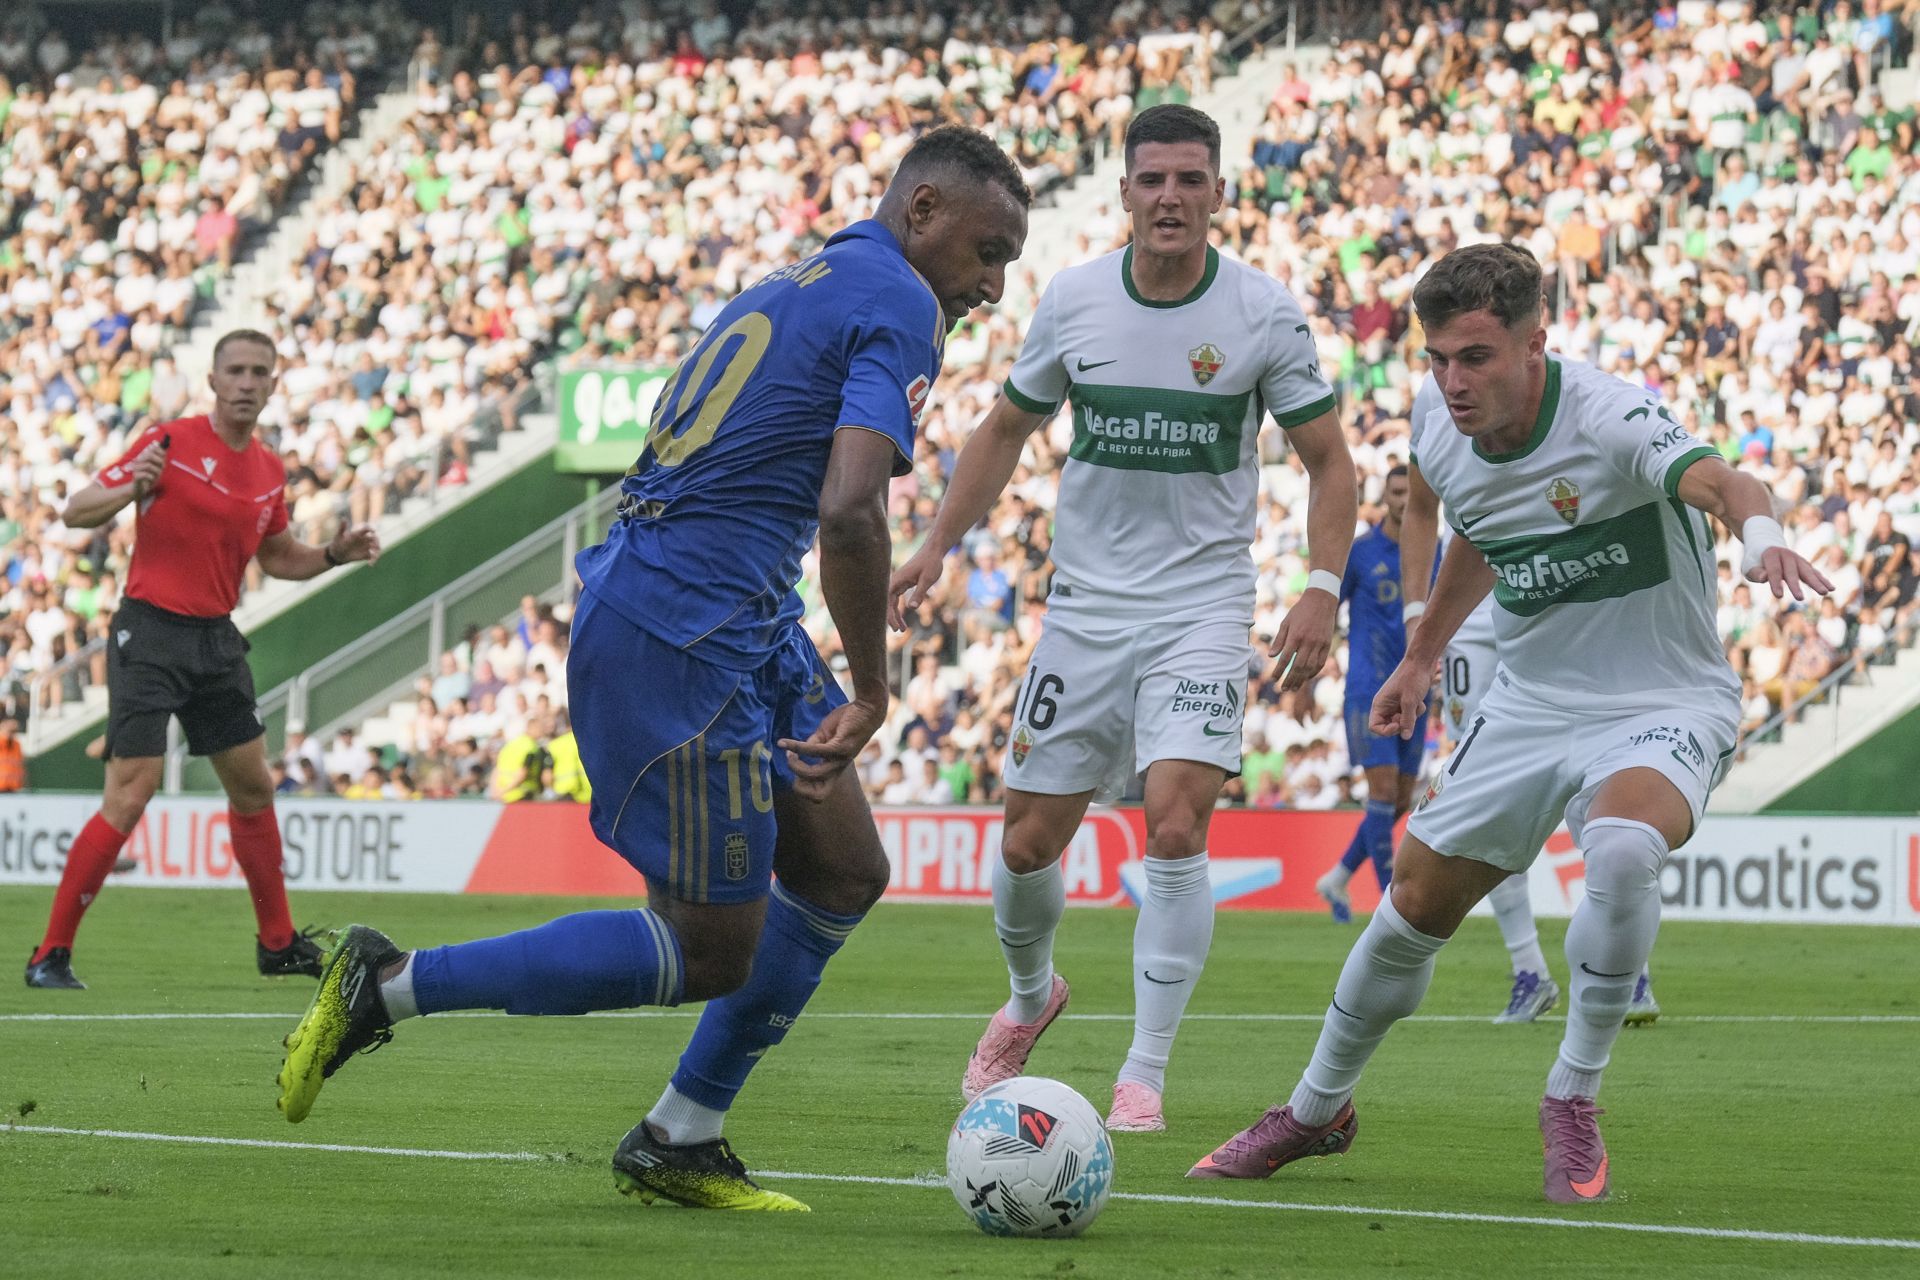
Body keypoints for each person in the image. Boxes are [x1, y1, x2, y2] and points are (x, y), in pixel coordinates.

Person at [273, 125, 1032, 1212]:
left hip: (725, 608)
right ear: (921, 212)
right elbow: (851, 506)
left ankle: (681, 1133)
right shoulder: (903, 302)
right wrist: (870, 687)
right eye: (987, 249)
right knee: (713, 942)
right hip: (684, 630)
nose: (994, 284)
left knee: (844, 867)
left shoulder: (812, 275)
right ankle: (386, 984)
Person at [1190, 244, 1830, 1203]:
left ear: (1538, 342)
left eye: (1476, 357)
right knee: (1412, 905)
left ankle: (1572, 1095)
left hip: (1660, 699)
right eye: (1437, 357)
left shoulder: (1611, 416)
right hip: (1529, 703)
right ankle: (1317, 1111)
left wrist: (1764, 540)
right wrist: (1417, 654)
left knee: (1617, 853)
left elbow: (1728, 484)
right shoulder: (1438, 426)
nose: (1452, 381)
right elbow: (1475, 537)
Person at [890, 105, 1357, 1134]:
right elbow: (1005, 426)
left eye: (1191, 180)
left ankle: (1143, 1069)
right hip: (1089, 605)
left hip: (1202, 602)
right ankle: (1029, 998)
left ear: (1219, 193)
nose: (1171, 199)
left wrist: (1321, 583)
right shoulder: (1075, 300)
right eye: (1153, 181)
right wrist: (933, 544)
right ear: (1126, 195)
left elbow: (1330, 458)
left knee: (1179, 820)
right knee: (1025, 841)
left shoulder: (1262, 313)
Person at [24, 329, 381, 990]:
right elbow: (77, 511)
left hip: (215, 640)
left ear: (274, 385)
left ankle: (277, 943)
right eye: (236, 371)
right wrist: (133, 486)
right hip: (150, 633)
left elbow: (277, 557)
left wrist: (334, 554)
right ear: (213, 382)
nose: (247, 382)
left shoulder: (269, 470)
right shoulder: (168, 443)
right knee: (132, 791)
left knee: (253, 786)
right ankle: (50, 953)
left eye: (259, 373)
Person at [1447, 593, 1661, 1026]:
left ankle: (1627, 969)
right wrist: (1419, 613)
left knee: (1594, 777)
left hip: (1555, 600)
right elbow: (1416, 520)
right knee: (1486, 797)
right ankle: (1529, 973)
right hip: (1468, 617)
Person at [1314, 464, 1434, 922]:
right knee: (1382, 790)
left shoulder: (1434, 551)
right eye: (1397, 491)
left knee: (1401, 799)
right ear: (1386, 497)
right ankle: (1391, 902)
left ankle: (1338, 877)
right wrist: (1309, 677)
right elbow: (1327, 610)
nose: (1404, 499)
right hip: (1368, 687)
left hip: (1417, 691)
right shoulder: (1362, 553)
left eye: (1410, 492)